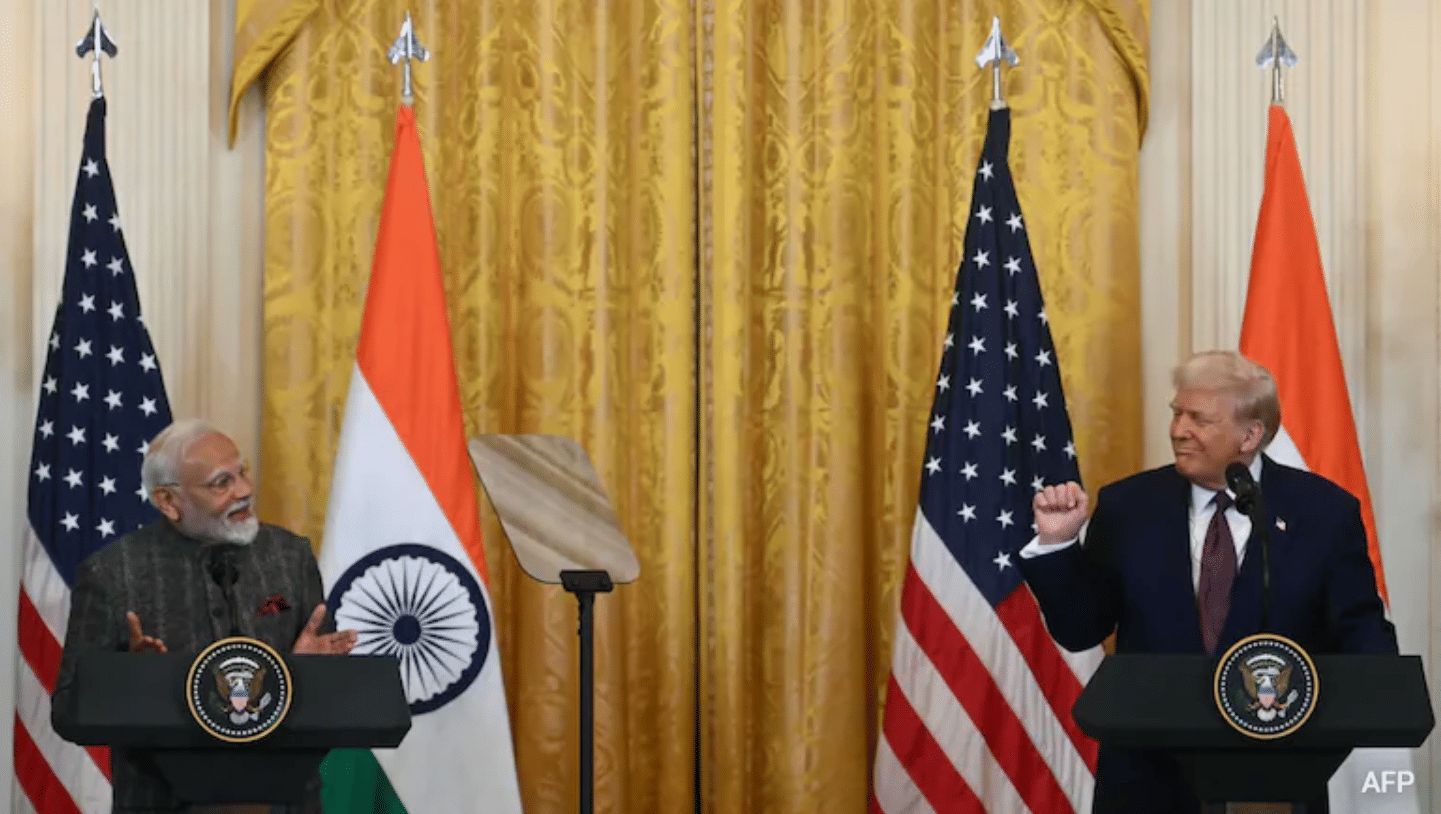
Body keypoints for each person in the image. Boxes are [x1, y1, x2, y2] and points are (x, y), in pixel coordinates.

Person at [1017, 350, 1396, 814]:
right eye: (1177, 413)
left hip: (1274, 774)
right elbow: (1080, 629)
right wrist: (1057, 545)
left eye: (1198, 418)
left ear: (1249, 436)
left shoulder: (1323, 512)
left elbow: (1361, 635)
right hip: (1148, 781)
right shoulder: (1128, 506)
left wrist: (1375, 699)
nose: (1178, 430)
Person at [51, 419, 359, 814]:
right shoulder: (113, 573)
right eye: (221, 483)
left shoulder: (289, 556)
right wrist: (129, 680)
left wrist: (308, 672)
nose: (244, 490)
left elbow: (328, 690)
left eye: (242, 472)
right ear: (168, 502)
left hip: (285, 803)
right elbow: (67, 713)